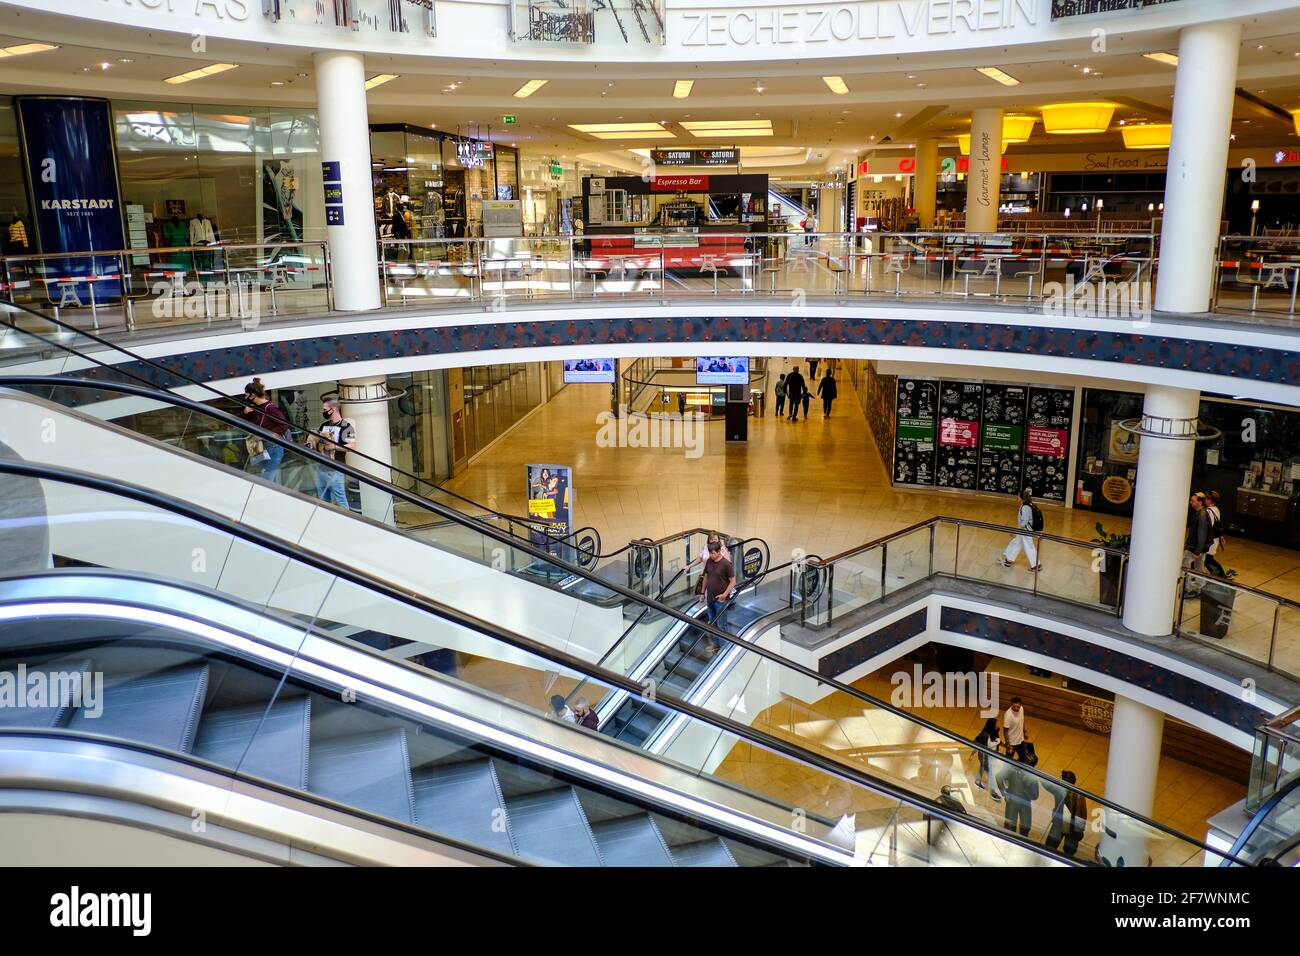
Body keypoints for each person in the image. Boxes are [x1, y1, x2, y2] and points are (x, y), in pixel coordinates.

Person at [307, 397, 356, 509]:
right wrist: (312, 444)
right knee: (323, 501)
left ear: (332, 409)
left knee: (340, 501)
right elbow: (318, 441)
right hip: (321, 468)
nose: (323, 412)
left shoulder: (346, 426)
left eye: (324, 409)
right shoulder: (324, 425)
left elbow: (352, 446)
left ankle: (347, 523)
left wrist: (334, 446)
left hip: (335, 469)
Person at [241, 377, 291, 485]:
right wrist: (245, 413)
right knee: (263, 477)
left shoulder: (270, 408)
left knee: (266, 480)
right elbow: (242, 422)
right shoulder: (255, 408)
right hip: (262, 447)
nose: (245, 396)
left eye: (246, 394)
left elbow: (283, 426)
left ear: (252, 395)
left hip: (273, 447)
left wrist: (265, 434)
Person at [1043, 769, 1088, 856]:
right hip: (1059, 823)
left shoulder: (1078, 795)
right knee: (1050, 846)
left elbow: (1082, 813)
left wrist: (1079, 829)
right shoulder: (1059, 789)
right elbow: (1047, 785)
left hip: (1072, 827)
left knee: (1069, 851)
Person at [997, 749, 1040, 837]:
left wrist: (1028, 787)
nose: (1026, 762)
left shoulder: (1032, 777)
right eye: (1026, 760)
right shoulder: (1013, 769)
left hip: (1025, 804)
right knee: (1009, 827)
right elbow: (999, 777)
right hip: (1013, 801)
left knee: (1025, 828)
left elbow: (1035, 795)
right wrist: (1004, 792)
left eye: (1028, 761)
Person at [1001, 488, 1042, 572]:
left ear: (1021, 497)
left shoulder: (1025, 507)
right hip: (1024, 530)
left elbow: (1024, 522)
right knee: (1016, 543)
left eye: (1018, 496)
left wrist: (1016, 531)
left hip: (1025, 531)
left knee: (1029, 547)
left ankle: (1036, 565)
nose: (1017, 497)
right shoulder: (1027, 504)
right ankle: (1008, 560)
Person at [972, 716, 1002, 799]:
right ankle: (993, 792)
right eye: (996, 724)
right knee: (991, 773)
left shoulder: (993, 732)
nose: (997, 725)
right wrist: (997, 742)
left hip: (989, 756)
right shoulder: (985, 734)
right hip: (985, 756)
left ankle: (978, 780)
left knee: (982, 767)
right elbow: (988, 745)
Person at [1185, 492, 1212, 578]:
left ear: (1200, 502)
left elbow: (1202, 534)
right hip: (1200, 547)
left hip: (1195, 547)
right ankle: (1200, 585)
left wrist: (1197, 552)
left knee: (1184, 566)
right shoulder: (1201, 513)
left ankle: (1187, 586)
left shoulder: (1201, 515)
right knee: (1199, 568)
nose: (1190, 502)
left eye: (1193, 501)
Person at [1202, 490, 1227, 578]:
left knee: (1207, 559)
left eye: (1206, 498)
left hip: (1209, 541)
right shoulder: (1216, 509)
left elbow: (1209, 527)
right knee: (1207, 559)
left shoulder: (1208, 511)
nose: (1204, 499)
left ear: (1210, 500)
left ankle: (1221, 577)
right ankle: (1220, 577)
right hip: (1215, 539)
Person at [1003, 697, 1029, 762]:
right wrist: (1008, 743)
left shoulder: (1021, 709)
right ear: (1011, 704)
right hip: (1012, 742)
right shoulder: (1008, 715)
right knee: (1008, 760)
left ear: (1020, 705)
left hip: (1020, 739)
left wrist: (1024, 731)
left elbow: (1022, 720)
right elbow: (1005, 730)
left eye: (1018, 707)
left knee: (1024, 758)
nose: (1016, 708)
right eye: (1014, 706)